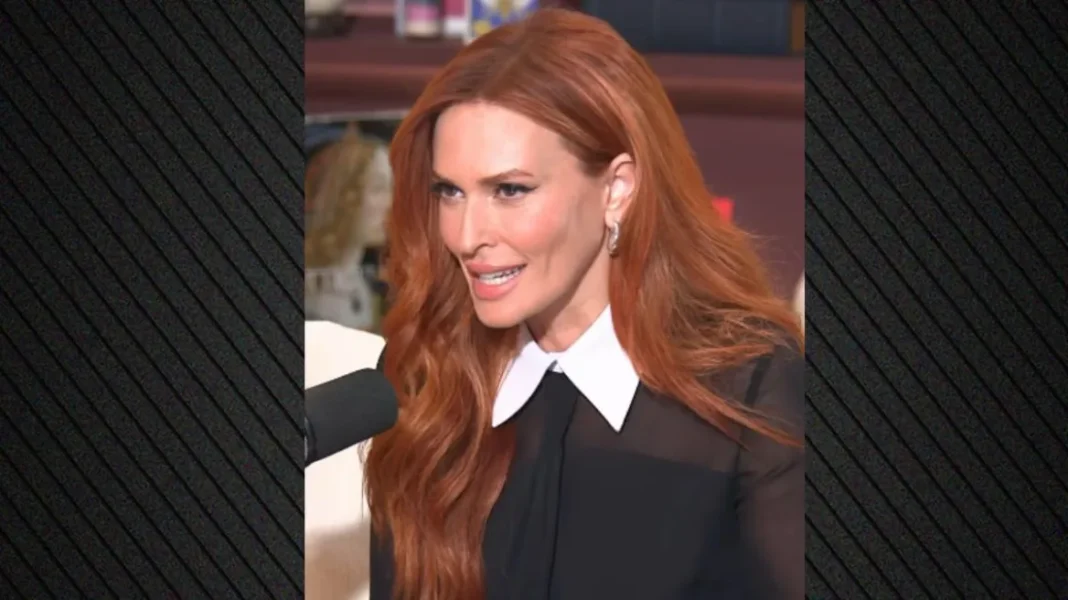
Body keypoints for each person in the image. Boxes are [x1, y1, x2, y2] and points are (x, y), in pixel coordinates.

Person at [364, 8, 804, 599]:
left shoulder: (752, 384)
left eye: (509, 190)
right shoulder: (422, 370)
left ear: (617, 190)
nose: (466, 237)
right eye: (450, 191)